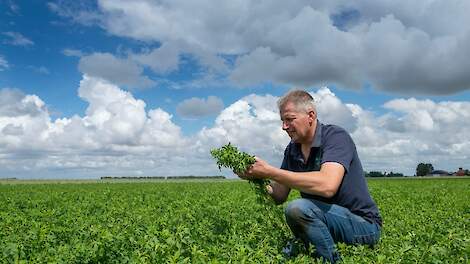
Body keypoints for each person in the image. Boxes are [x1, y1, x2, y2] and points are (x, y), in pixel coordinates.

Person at [237, 90, 382, 263]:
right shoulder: (292, 149)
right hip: (326, 223)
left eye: (290, 119)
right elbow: (279, 195)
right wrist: (256, 177)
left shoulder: (335, 137)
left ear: (311, 116)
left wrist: (269, 171)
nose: (284, 126)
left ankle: (329, 260)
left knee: (297, 208)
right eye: (282, 121)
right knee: (292, 226)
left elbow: (327, 186)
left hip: (363, 225)